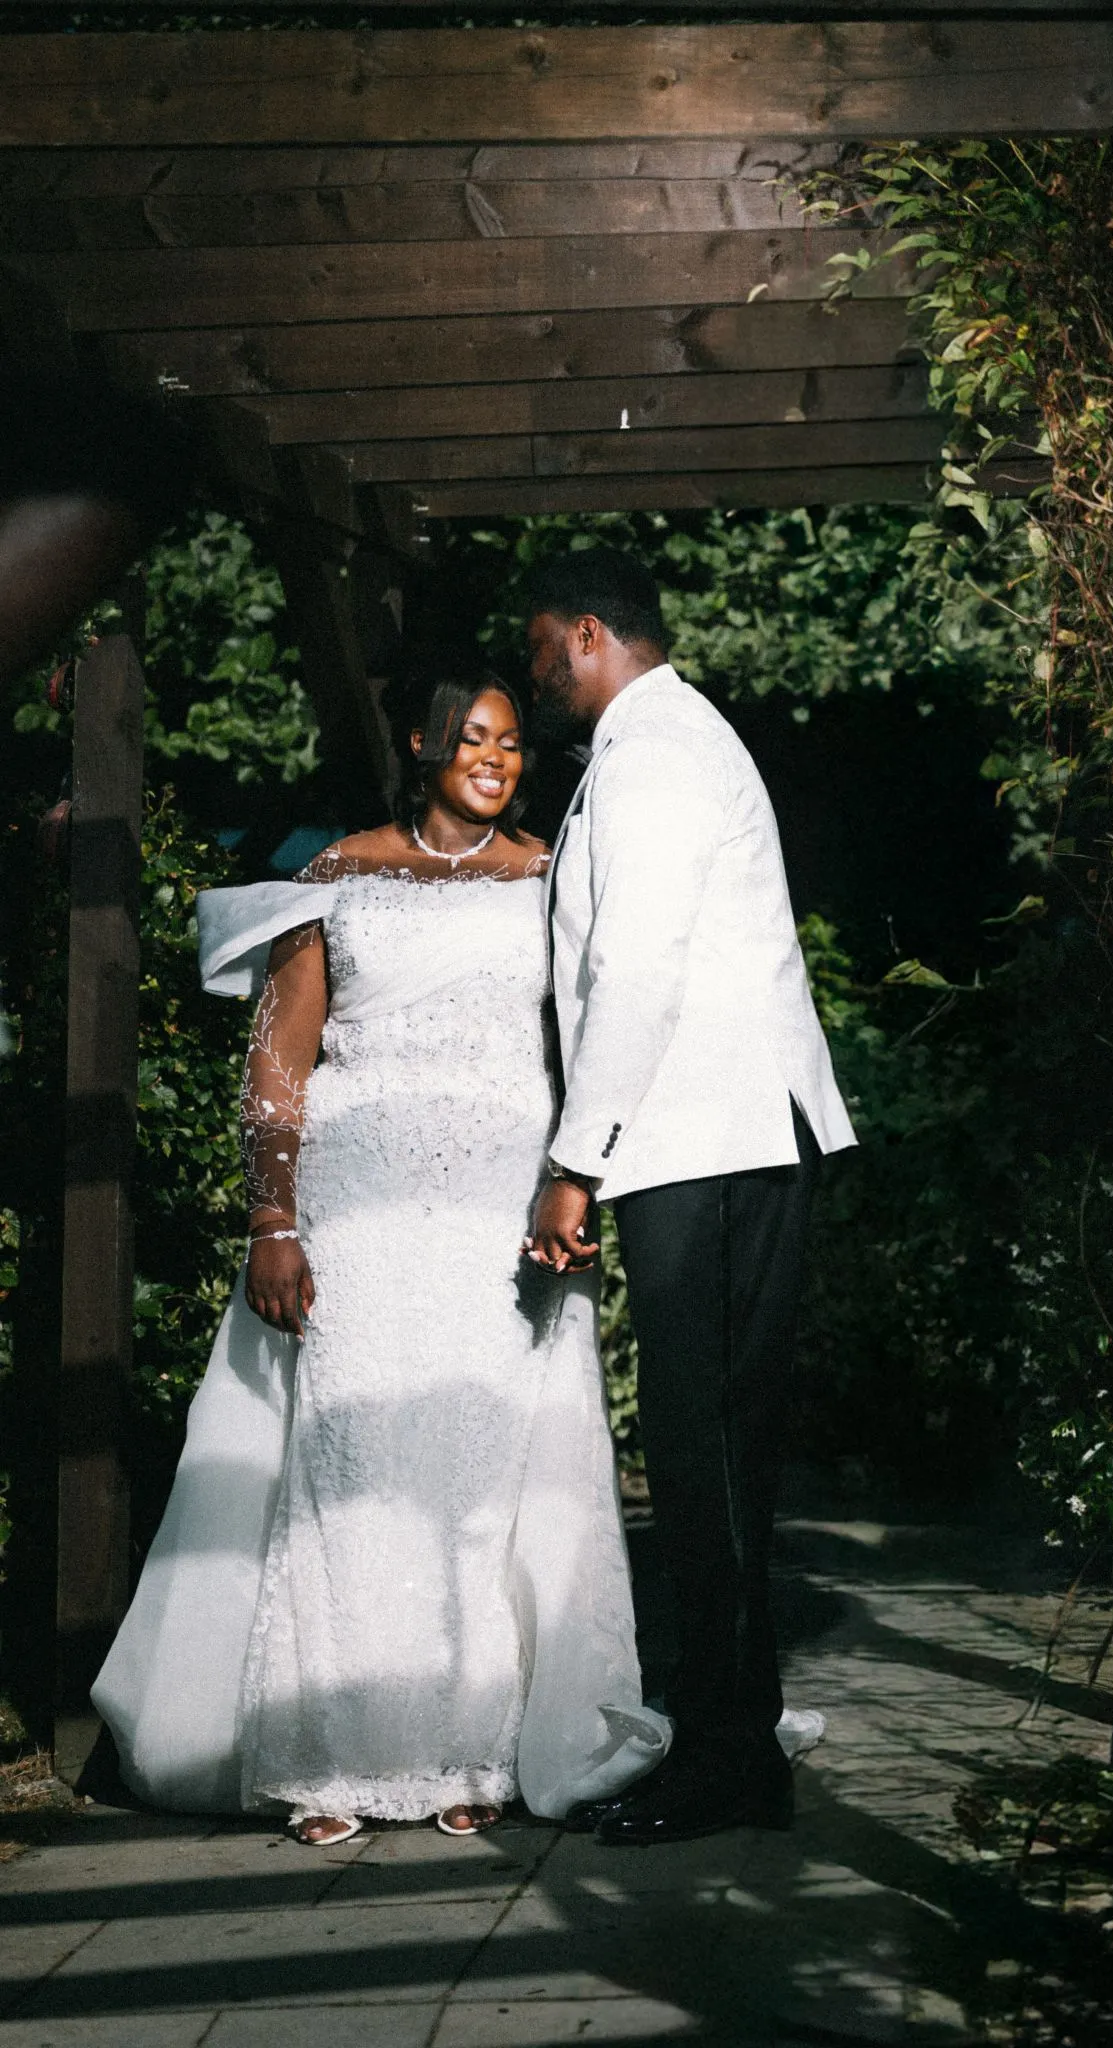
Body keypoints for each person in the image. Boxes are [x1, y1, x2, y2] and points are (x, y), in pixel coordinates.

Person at [92, 670, 668, 1844]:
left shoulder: (551, 877)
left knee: (476, 1467)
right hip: (358, 1214)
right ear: (421, 742)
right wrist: (274, 1219)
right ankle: (331, 1754)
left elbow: (598, 1032)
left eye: (511, 742)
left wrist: (580, 1179)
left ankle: (469, 1749)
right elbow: (279, 1066)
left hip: (493, 1222)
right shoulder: (340, 873)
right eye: (472, 737)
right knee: (349, 1453)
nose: (496, 758)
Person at [522, 549, 857, 1846]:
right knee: (715, 1456)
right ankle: (734, 1744)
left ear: (590, 631)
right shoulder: (657, 739)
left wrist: (573, 1161)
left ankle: (723, 1760)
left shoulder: (654, 747)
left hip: (702, 1143)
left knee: (704, 1454)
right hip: (716, 1141)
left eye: (540, 643)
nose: (534, 668)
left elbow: (639, 966)